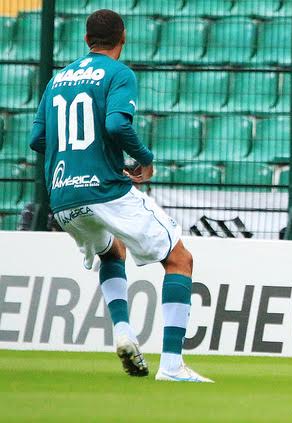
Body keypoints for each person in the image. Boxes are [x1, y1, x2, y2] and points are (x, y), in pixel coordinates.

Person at [29, 9, 211, 383]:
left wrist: (76, 159)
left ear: (86, 40)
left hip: (62, 196)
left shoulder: (57, 79)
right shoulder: (118, 73)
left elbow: (37, 139)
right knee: (179, 258)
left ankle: (124, 332)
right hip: (104, 188)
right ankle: (172, 365)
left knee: (112, 251)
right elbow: (116, 124)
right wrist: (145, 159)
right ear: (123, 37)